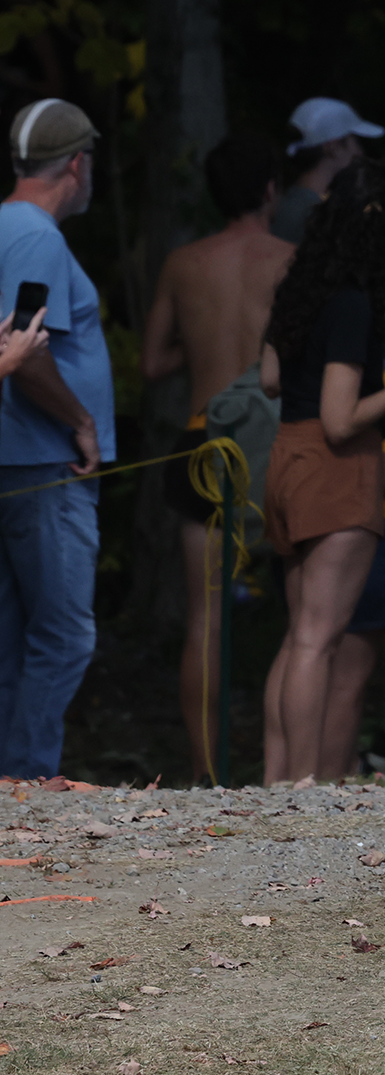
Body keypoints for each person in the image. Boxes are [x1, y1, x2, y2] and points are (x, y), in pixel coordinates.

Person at [258, 160, 385, 784]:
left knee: (299, 636)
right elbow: (341, 421)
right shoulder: (352, 303)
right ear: (384, 222)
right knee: (320, 639)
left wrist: (373, 339)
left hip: (287, 458)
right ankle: (304, 784)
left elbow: (271, 378)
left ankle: (278, 781)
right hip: (334, 469)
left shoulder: (301, 287)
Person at [141, 131, 296, 782]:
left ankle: (207, 774)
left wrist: (206, 341)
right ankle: (291, 767)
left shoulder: (184, 263)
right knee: (304, 613)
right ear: (270, 190)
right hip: (276, 440)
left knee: (206, 620)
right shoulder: (292, 259)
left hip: (204, 438)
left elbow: (153, 363)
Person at [0, 99, 116, 780]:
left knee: (14, 634)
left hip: (16, 460)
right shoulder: (36, 236)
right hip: (45, 462)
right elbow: (25, 349)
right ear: (77, 163)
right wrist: (81, 421)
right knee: (65, 634)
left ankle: (15, 779)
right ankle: (28, 777)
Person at [320, 363, 385, 775]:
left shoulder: (303, 368)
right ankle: (328, 782)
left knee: (312, 655)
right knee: (348, 675)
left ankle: (310, 775)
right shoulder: (369, 374)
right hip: (363, 522)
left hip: (311, 516)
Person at [271, 98, 385, 244]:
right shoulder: (315, 215)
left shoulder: (283, 206)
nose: (360, 152)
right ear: (332, 147)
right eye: (355, 141)